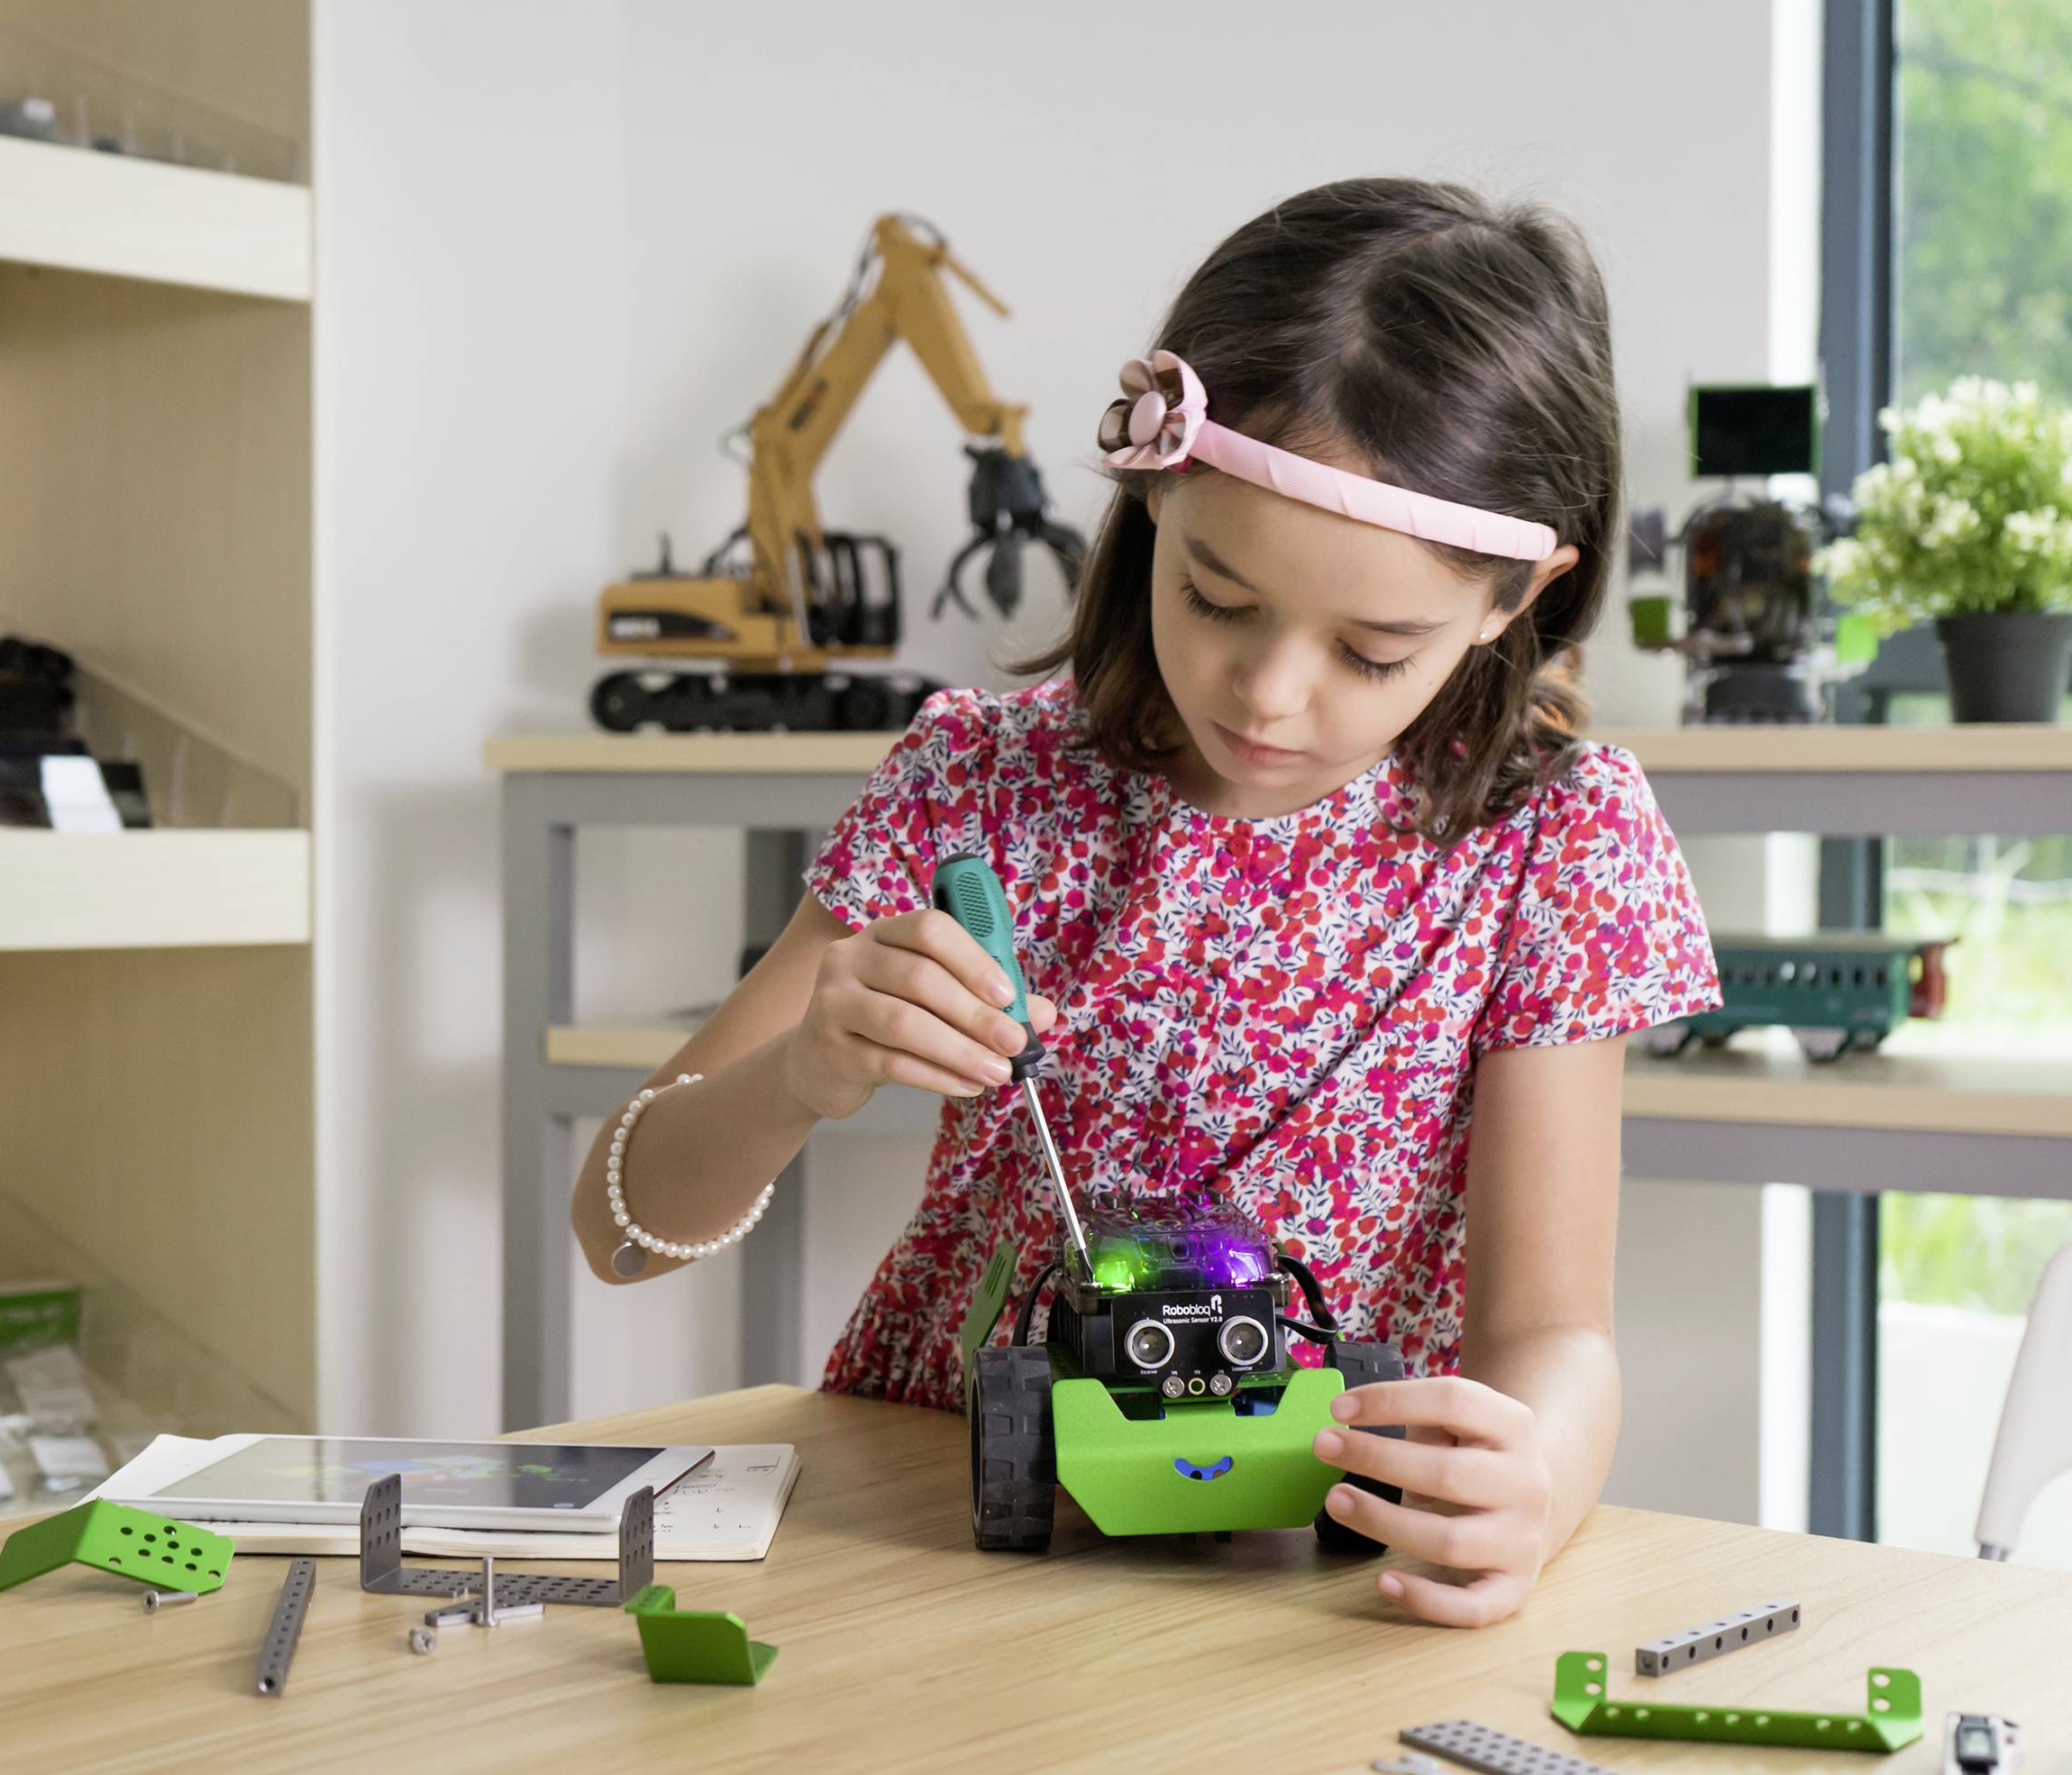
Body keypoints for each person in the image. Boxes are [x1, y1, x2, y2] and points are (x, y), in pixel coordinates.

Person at [570, 178, 1721, 1626]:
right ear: (1151, 494)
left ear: (1514, 596)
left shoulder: (1550, 840)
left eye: (1371, 650)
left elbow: (1552, 1333)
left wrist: (1534, 1484)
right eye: (1218, 597)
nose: (1268, 692)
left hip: (1289, 1585)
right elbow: (614, 1225)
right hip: (931, 1543)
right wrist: (799, 1074)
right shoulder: (979, 782)